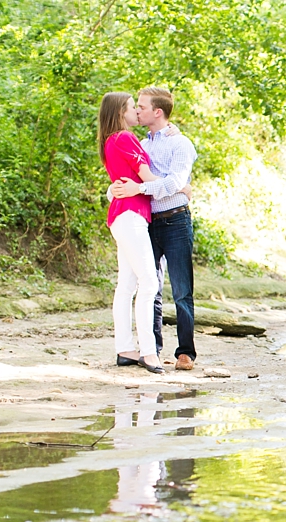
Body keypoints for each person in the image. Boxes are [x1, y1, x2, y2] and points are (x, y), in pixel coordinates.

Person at [112, 87, 199, 371]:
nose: (137, 111)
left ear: (157, 111)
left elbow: (174, 182)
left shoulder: (180, 143)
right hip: (148, 221)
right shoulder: (140, 144)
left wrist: (144, 188)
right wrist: (118, 189)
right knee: (152, 287)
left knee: (182, 289)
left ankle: (185, 353)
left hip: (175, 221)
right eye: (135, 107)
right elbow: (128, 179)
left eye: (141, 106)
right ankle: (154, 349)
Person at [97, 92, 165, 374]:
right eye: (131, 107)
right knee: (149, 282)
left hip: (122, 216)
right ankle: (149, 353)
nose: (137, 111)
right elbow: (148, 179)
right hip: (130, 215)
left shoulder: (110, 140)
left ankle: (125, 349)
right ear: (119, 112)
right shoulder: (124, 138)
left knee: (127, 285)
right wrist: (178, 186)